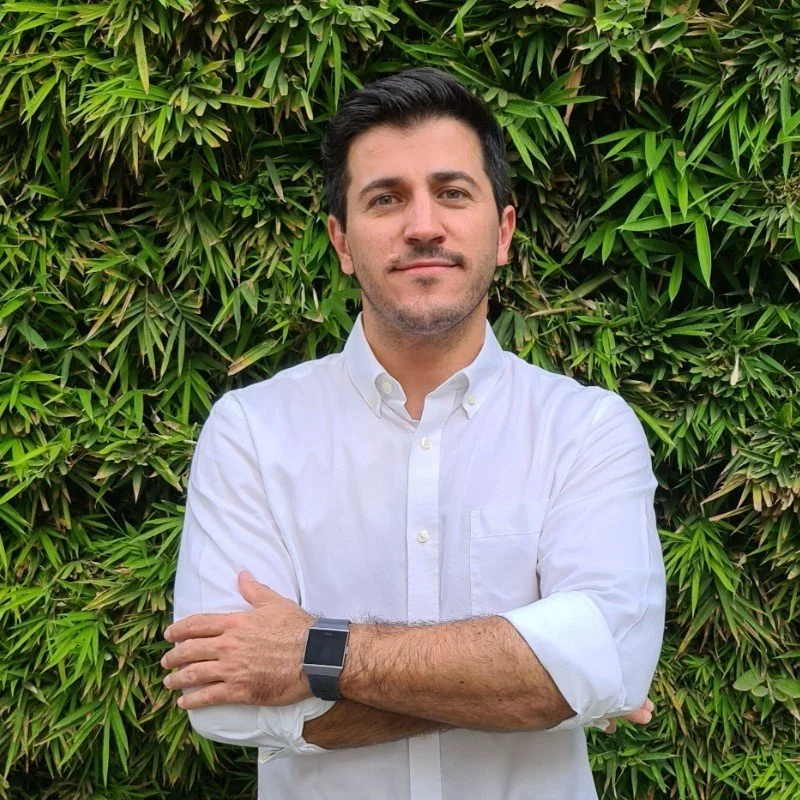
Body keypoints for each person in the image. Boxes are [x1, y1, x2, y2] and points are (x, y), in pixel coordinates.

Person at [161, 67, 666, 800]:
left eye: (452, 192)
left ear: (502, 231)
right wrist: (541, 691)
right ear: (341, 241)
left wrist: (315, 651)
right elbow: (229, 703)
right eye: (385, 198)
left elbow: (611, 657)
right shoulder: (251, 432)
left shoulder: (586, 430)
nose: (422, 223)